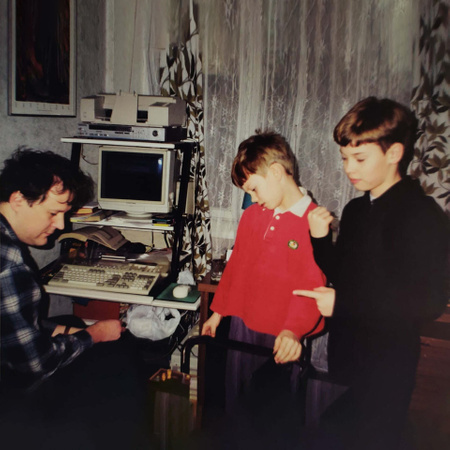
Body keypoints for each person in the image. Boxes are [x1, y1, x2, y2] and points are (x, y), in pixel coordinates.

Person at [294, 97, 450, 450]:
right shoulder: (357, 209)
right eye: (345, 158)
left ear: (394, 153)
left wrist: (343, 304)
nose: (349, 168)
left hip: (388, 364)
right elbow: (345, 276)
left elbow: (426, 302)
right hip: (351, 356)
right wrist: (320, 241)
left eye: (360, 158)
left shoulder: (420, 215)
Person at [0, 148, 150, 449]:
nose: (61, 226)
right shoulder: (9, 263)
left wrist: (60, 331)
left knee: (68, 321)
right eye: (53, 213)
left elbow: (10, 324)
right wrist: (93, 334)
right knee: (117, 357)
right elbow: (35, 362)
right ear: (18, 200)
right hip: (11, 388)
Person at [200, 131, 326, 446]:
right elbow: (237, 266)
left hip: (282, 334)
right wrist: (217, 313)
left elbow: (312, 284)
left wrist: (294, 330)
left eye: (254, 189)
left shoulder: (313, 222)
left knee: (273, 414)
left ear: (276, 173)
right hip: (244, 324)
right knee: (239, 403)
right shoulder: (252, 216)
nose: (253, 198)